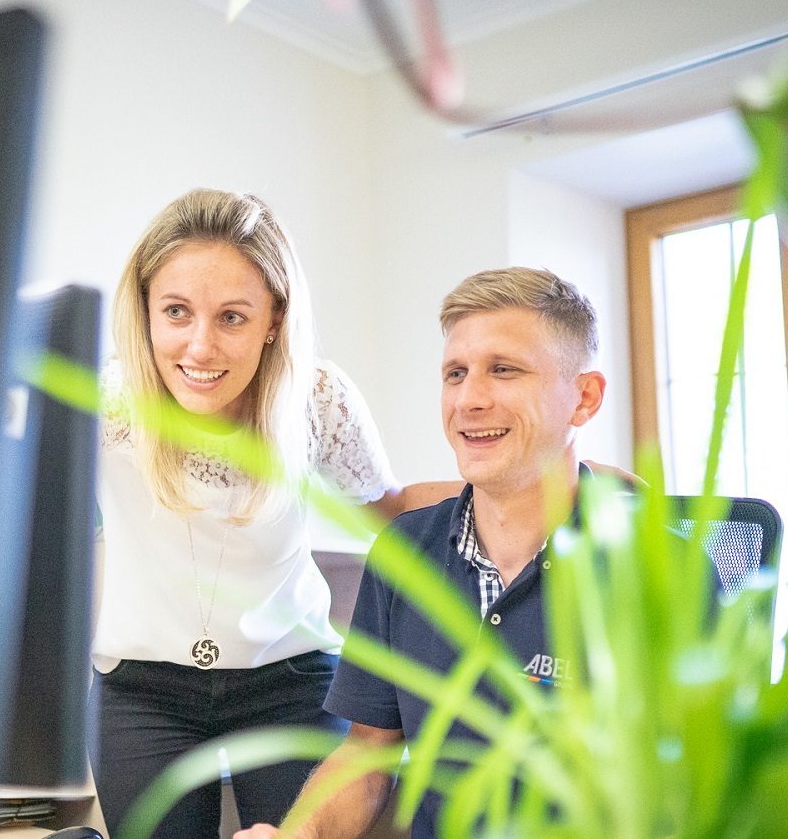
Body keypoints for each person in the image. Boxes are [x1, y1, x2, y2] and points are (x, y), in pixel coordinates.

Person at [92, 188, 459, 839]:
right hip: (143, 689)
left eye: (232, 317)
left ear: (273, 318)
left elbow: (393, 510)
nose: (200, 348)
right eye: (176, 311)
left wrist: (550, 485)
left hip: (291, 681)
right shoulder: (107, 402)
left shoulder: (317, 401)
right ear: (145, 310)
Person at [232, 266, 612, 839]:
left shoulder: (664, 572)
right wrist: (300, 836)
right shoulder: (406, 552)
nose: (469, 400)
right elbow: (367, 755)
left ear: (583, 398)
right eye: (455, 374)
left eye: (503, 371)